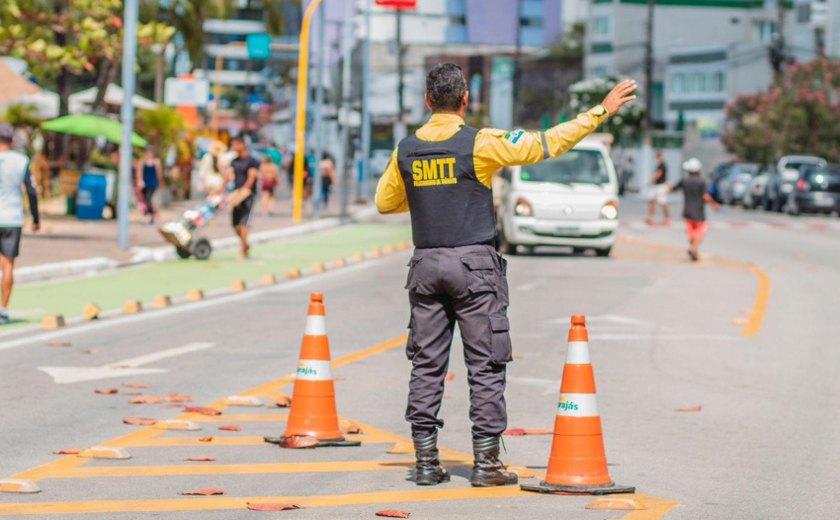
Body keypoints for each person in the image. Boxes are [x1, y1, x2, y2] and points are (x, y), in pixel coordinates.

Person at [375, 64, 637, 487]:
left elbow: (386, 202)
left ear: (427, 102)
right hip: (475, 268)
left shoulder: (405, 149)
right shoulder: (480, 143)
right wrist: (600, 111)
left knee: (426, 364)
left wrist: (431, 194)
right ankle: (486, 463)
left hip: (426, 266)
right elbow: (546, 144)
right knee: (486, 364)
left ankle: (425, 462)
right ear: (464, 100)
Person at [0, 124, 40, 325]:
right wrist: (36, 218)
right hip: (11, 218)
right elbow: (31, 192)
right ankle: (4, 310)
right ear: (12, 141)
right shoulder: (21, 160)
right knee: (7, 265)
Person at [669, 158, 720, 262]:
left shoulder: (685, 180)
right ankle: (693, 249)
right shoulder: (702, 181)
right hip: (699, 212)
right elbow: (706, 196)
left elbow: (673, 189)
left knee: (691, 233)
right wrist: (714, 204)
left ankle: (694, 250)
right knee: (700, 232)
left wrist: (667, 186)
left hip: (687, 211)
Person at [226, 137, 259, 259]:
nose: (233, 147)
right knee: (235, 225)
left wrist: (243, 191)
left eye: (235, 144)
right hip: (236, 195)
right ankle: (246, 244)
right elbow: (228, 176)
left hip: (248, 195)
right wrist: (220, 190)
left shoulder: (252, 161)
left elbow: (252, 177)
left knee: (244, 224)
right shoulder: (234, 161)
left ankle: (242, 251)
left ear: (243, 144)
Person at [135, 147, 163, 224]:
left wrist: (160, 183)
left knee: (148, 198)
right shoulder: (142, 161)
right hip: (144, 183)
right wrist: (140, 180)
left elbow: (159, 173)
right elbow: (139, 171)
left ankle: (149, 214)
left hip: (153, 182)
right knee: (144, 200)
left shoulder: (156, 161)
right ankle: (149, 214)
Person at [647, 150, 670, 225]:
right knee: (651, 200)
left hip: (660, 186)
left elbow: (658, 174)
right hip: (657, 186)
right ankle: (651, 217)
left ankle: (667, 218)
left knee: (663, 202)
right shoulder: (660, 165)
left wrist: (651, 181)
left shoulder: (662, 165)